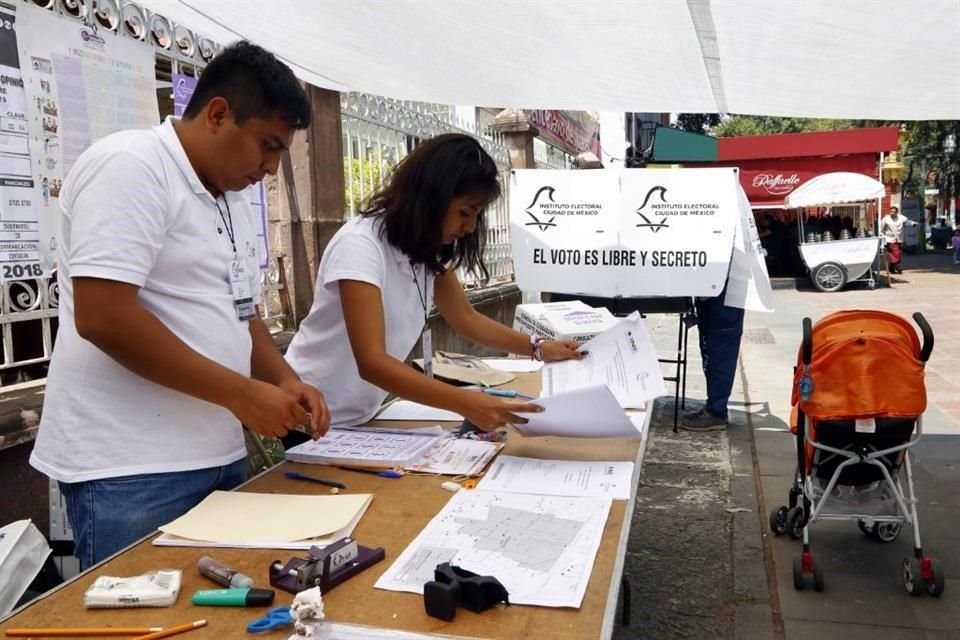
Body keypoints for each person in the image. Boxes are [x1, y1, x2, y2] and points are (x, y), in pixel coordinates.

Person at [29, 41, 329, 568]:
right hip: (132, 469)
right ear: (217, 114)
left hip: (215, 455)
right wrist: (241, 394)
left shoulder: (229, 194)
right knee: (141, 616)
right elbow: (103, 317)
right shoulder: (131, 166)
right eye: (268, 145)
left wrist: (283, 379)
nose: (271, 167)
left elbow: (240, 307)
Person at [285, 133, 582, 432]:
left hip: (363, 416)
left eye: (476, 216)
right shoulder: (359, 246)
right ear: (429, 199)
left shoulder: (425, 248)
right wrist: (467, 403)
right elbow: (372, 361)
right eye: (464, 213)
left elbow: (466, 319)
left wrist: (538, 347)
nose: (468, 228)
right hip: (311, 419)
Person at [680, 284, 745, 432]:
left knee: (720, 350)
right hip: (709, 286)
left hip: (726, 289)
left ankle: (716, 411)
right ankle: (714, 407)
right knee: (709, 348)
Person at [879, 206, 915, 274]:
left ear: (897, 213)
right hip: (889, 239)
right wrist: (882, 237)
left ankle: (892, 267)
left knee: (898, 253)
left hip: (899, 239)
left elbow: (907, 222)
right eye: (891, 212)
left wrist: (912, 223)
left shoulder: (901, 218)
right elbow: (881, 229)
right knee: (896, 252)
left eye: (894, 212)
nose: (892, 213)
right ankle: (898, 266)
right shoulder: (886, 219)